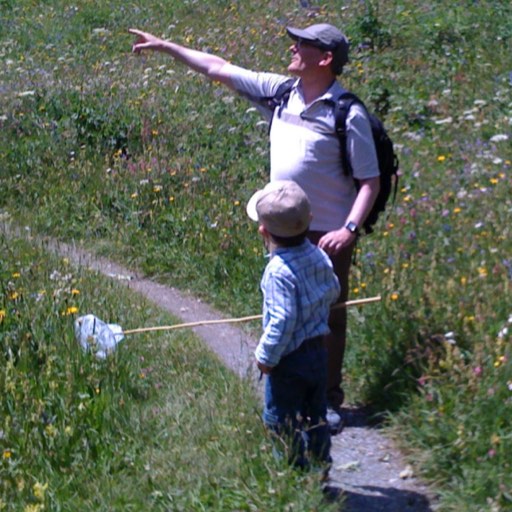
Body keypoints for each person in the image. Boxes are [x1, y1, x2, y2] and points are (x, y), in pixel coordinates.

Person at [129, 22, 380, 432]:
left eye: (303, 44)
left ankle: (326, 400)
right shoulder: (280, 92)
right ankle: (289, 395)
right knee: (281, 309)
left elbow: (370, 181)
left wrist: (349, 230)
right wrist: (165, 46)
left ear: (325, 58)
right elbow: (218, 67)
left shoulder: (346, 113)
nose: (293, 47)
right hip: (283, 227)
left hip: (329, 236)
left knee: (327, 318)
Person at [246, 179, 340, 471]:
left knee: (281, 419)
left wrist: (265, 357)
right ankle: (320, 465)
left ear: (263, 232)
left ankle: (293, 472)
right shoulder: (318, 254)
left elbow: (282, 321)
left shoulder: (277, 272)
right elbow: (334, 290)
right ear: (309, 219)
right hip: (318, 353)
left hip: (289, 360)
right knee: (315, 414)